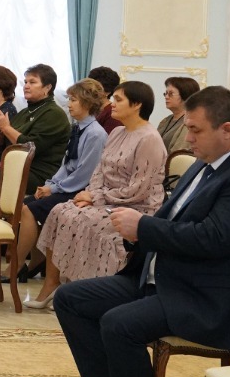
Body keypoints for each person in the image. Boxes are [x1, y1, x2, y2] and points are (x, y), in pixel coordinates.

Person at [55, 86, 230, 377]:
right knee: (71, 299)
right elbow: (171, 218)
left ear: (227, 130)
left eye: (195, 130)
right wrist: (136, 234)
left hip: (207, 298)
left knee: (119, 324)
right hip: (168, 281)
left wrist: (142, 227)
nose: (188, 138)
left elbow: (213, 239)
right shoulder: (206, 163)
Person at [28, 81, 168, 309]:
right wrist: (91, 194)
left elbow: (138, 189)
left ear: (137, 105)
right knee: (60, 211)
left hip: (135, 207)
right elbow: (99, 171)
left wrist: (95, 198)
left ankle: (79, 290)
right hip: (106, 199)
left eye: (119, 99)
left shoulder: (149, 138)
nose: (112, 103)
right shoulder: (117, 132)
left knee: (82, 220)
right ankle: (52, 284)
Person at [8, 79, 109, 285]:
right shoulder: (78, 128)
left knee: (29, 210)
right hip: (66, 185)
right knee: (25, 204)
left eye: (74, 100)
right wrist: (49, 184)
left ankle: (16, 265)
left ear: (88, 103)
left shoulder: (96, 134)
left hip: (80, 190)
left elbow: (85, 174)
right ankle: (36, 260)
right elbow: (66, 163)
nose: (69, 104)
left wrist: (55, 189)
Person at [0, 64, 71, 212]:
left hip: (37, 172)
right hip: (16, 165)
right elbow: (3, 147)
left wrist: (5, 128)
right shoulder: (26, 112)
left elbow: (31, 147)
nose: (26, 86)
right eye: (25, 82)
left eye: (32, 82)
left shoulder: (54, 113)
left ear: (47, 87)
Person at [155, 76, 201, 155]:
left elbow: (178, 154)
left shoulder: (189, 122)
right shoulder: (166, 120)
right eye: (165, 94)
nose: (166, 97)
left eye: (171, 94)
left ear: (185, 95)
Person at [89, 66, 122, 133]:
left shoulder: (112, 113)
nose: (89, 90)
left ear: (108, 92)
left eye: (96, 88)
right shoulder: (90, 108)